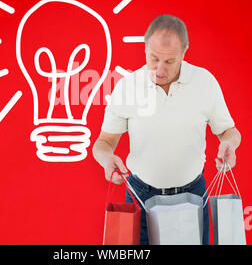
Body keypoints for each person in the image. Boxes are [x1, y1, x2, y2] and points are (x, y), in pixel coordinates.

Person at [92, 14, 241, 245]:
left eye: (170, 61)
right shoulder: (127, 86)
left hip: (193, 195)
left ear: (184, 52)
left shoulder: (205, 82)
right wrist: (105, 158)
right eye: (153, 59)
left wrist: (229, 143)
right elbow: (103, 142)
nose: (160, 69)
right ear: (145, 49)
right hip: (140, 195)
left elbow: (229, 131)